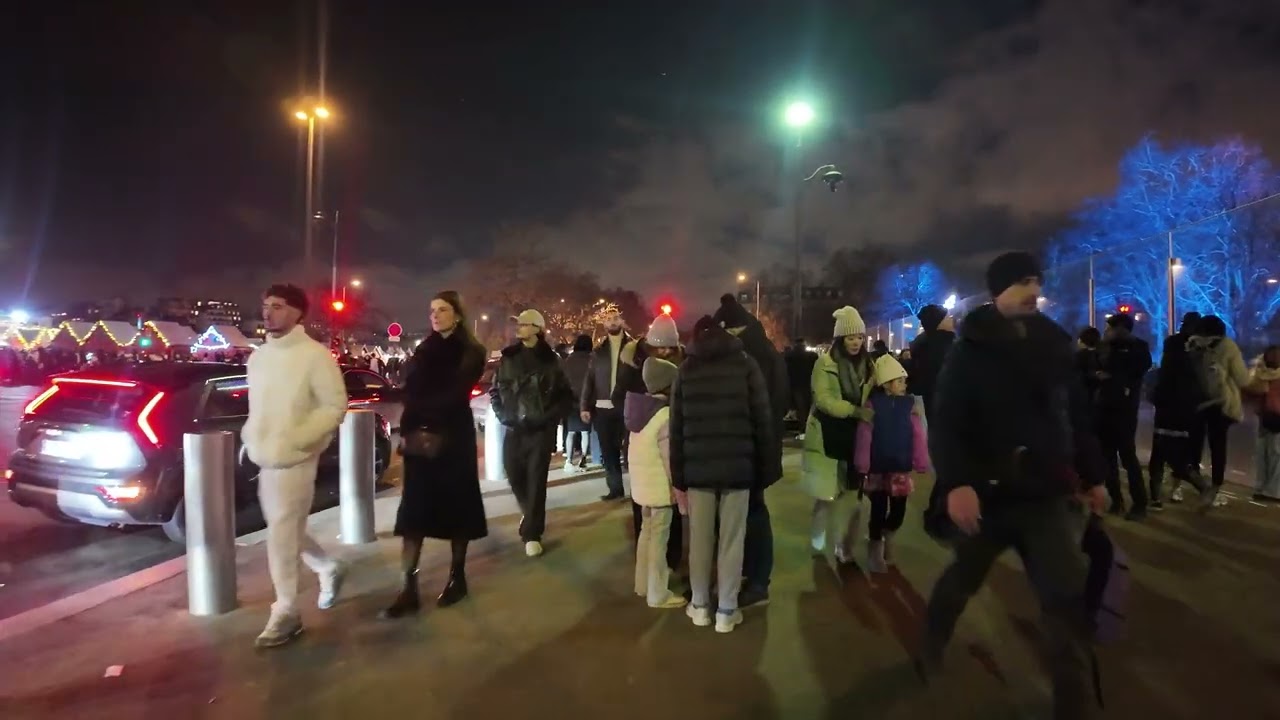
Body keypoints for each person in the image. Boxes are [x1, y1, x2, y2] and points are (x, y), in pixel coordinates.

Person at [918, 251, 1107, 719]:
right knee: (961, 581)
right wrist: (959, 483)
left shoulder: (1055, 345)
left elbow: (1076, 417)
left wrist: (1095, 476)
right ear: (998, 290)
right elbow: (947, 423)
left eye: (1035, 281)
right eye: (1022, 282)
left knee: (1065, 603)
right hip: (989, 495)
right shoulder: (969, 349)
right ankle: (931, 642)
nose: (1032, 290)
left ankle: (1076, 705)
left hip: (1047, 495)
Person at [241, 284, 349, 648]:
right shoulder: (258, 358)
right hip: (265, 458)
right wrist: (251, 437)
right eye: (266, 305)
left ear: (298, 313)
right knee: (286, 530)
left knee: (281, 534)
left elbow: (334, 405)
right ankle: (327, 567)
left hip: (296, 459)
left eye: (278, 306)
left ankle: (286, 609)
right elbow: (257, 408)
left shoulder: (314, 356)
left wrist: (300, 439)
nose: (268, 312)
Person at [380, 291, 488, 619]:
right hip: (419, 439)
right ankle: (408, 588)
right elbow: (408, 389)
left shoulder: (472, 350)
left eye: (442, 310)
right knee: (413, 514)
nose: (435, 315)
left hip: (453, 437)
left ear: (457, 314)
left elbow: (455, 392)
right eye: (431, 311)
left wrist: (422, 409)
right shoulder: (424, 349)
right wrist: (413, 423)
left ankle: (458, 577)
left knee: (458, 510)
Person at [671, 316, 776, 634]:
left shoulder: (686, 370)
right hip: (738, 468)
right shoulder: (746, 365)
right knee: (733, 540)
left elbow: (677, 428)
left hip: (699, 469)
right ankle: (727, 611)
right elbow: (763, 419)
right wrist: (765, 469)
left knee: (700, 540)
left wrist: (679, 476)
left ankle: (701, 605)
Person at [712, 294, 788, 609]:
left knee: (752, 511)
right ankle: (752, 576)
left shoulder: (750, 355)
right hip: (754, 446)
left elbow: (771, 404)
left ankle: (757, 580)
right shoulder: (766, 351)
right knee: (750, 511)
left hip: (748, 447)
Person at [491, 309, 575, 557]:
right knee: (513, 471)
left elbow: (565, 396)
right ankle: (529, 516)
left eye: (525, 324)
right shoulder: (509, 358)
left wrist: (549, 419)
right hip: (514, 427)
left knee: (536, 481)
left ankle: (532, 534)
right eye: (518, 323)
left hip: (540, 430)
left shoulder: (552, 361)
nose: (519, 327)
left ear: (538, 329)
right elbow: (496, 390)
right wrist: (503, 415)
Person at [801, 306, 875, 572]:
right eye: (850, 338)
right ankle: (818, 543)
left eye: (859, 337)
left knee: (853, 497)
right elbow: (824, 400)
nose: (856, 342)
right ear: (840, 340)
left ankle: (844, 548)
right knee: (826, 496)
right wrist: (856, 411)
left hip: (857, 437)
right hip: (827, 435)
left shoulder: (869, 365)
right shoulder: (825, 363)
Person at [613, 311, 685, 571]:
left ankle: (670, 557)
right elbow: (618, 397)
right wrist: (644, 406)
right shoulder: (632, 361)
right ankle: (648, 560)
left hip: (669, 432)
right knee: (643, 500)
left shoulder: (682, 361)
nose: (665, 351)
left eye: (670, 346)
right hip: (641, 433)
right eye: (661, 346)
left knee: (670, 500)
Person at [853, 354, 929, 573]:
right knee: (877, 510)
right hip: (877, 469)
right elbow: (864, 435)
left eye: (904, 381)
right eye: (899, 381)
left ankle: (889, 535)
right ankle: (875, 551)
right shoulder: (873, 405)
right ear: (886, 384)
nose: (904, 385)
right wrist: (862, 463)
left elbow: (918, 435)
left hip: (900, 468)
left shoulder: (909, 405)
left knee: (898, 512)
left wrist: (921, 460)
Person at [626, 357, 687, 609]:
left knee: (646, 534)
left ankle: (642, 584)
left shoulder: (639, 411)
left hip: (642, 487)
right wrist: (680, 491)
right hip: (660, 488)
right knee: (659, 539)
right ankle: (657, 593)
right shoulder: (664, 416)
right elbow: (670, 459)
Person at [1148, 312, 1212, 509]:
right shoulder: (1203, 349)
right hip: (1189, 407)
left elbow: (1164, 374)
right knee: (1181, 455)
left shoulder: (1174, 344)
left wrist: (1156, 395)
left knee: (1160, 454)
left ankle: (1157, 498)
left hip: (1169, 406)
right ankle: (1200, 487)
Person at [1185, 314, 1250, 509]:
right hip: (1221, 403)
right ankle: (1215, 487)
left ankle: (1195, 480)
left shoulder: (1191, 346)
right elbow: (1242, 379)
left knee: (1193, 443)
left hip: (1196, 402)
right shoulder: (1228, 347)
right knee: (1218, 445)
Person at [1095, 312, 1152, 519]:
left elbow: (1138, 369)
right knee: (1107, 458)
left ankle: (1139, 504)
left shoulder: (1138, 347)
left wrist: (1113, 373)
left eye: (1112, 327)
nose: (1108, 331)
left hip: (1125, 410)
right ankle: (1116, 500)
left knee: (1128, 457)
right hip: (1103, 407)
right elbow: (1097, 367)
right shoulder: (1105, 346)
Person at [581, 308, 632, 501]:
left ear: (622, 321)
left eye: (616, 318)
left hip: (627, 407)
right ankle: (615, 488)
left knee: (630, 452)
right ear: (604, 324)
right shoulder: (598, 351)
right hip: (602, 409)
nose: (612, 321)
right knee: (608, 452)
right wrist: (584, 406)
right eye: (609, 319)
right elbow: (589, 380)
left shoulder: (634, 347)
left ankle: (637, 490)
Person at [907, 303, 956, 421]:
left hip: (928, 407)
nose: (951, 319)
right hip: (948, 408)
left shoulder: (921, 346)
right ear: (938, 323)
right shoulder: (948, 346)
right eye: (947, 317)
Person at [1247, 346, 1280, 502]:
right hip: (1264, 416)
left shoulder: (1258, 373)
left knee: (1275, 454)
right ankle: (1262, 488)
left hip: (1276, 417)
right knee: (1263, 454)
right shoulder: (1258, 372)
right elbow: (1249, 390)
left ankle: (1271, 490)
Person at [560, 334, 595, 473]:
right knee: (585, 432)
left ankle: (568, 460)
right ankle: (583, 459)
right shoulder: (592, 359)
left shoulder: (569, 360)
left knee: (571, 432)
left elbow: (563, 379)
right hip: (586, 400)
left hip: (571, 400)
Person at [785, 339, 819, 436]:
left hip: (796, 385)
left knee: (801, 410)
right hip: (809, 384)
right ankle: (810, 430)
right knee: (809, 408)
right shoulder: (812, 356)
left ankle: (803, 430)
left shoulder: (789, 356)